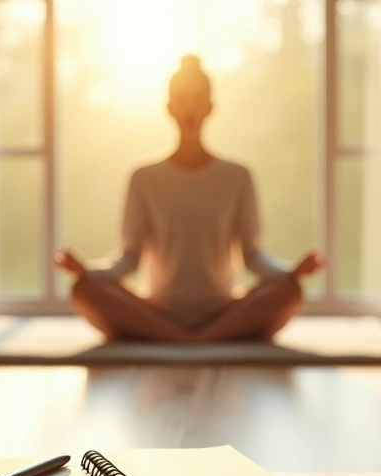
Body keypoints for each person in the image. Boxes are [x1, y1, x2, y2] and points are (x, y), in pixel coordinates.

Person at [54, 55, 324, 342]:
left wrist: (291, 272)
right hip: (156, 309)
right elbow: (129, 258)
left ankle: (189, 339)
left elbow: (252, 256)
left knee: (288, 292)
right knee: (84, 290)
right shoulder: (144, 178)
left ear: (210, 107)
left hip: (224, 309)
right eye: (181, 99)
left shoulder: (237, 176)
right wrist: (88, 271)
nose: (189, 108)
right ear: (169, 108)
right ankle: (193, 339)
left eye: (197, 99)